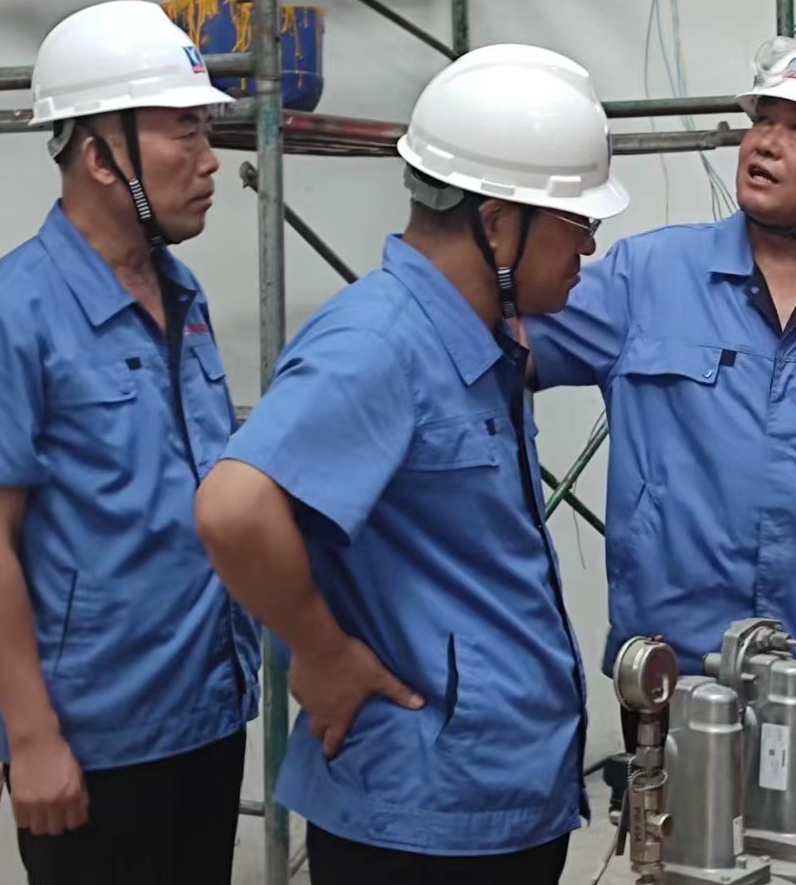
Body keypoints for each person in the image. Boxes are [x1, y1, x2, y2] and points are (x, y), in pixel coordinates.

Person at [193, 45, 627, 883]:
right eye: (578, 226)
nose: (588, 250)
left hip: (495, 802)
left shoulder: (472, 341)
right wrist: (320, 651)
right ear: (496, 223)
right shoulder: (380, 343)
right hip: (422, 824)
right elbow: (233, 509)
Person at [524, 32, 796, 789]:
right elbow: (504, 349)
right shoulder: (645, 275)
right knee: (673, 841)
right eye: (764, 120)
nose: (765, 144)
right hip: (671, 668)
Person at [0, 1, 258, 884]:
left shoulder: (181, 297)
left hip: (207, 707)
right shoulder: (6, 321)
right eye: (183, 132)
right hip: (95, 737)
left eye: (205, 131)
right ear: (101, 157)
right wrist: (33, 738)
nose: (208, 159)